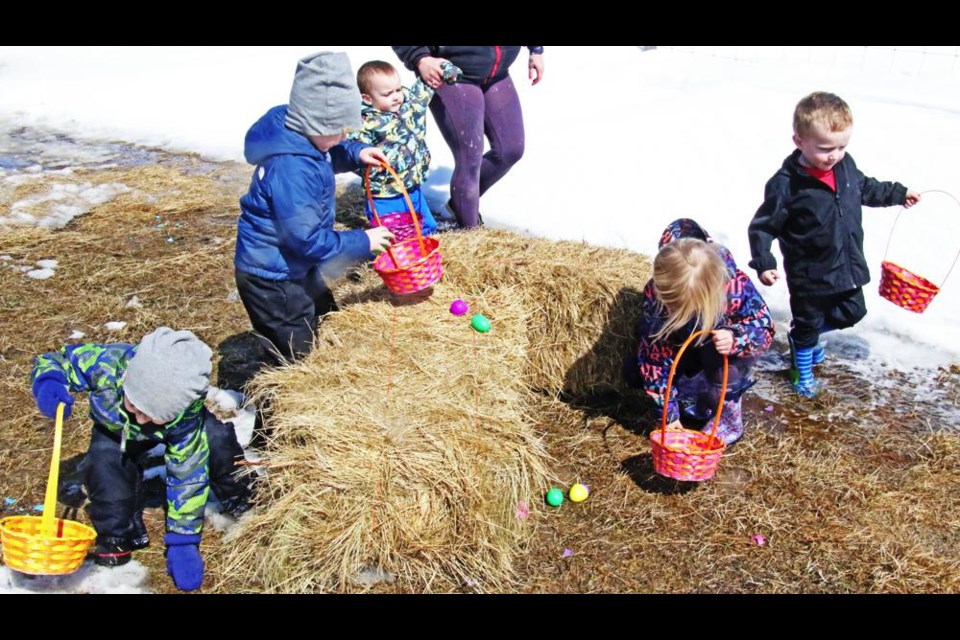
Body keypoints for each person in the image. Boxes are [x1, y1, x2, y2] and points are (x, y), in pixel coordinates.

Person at [30, 327, 253, 592]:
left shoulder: (185, 416)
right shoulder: (105, 365)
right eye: (135, 406)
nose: (141, 419)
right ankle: (118, 534)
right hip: (115, 430)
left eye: (152, 415)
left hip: (175, 430)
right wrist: (50, 382)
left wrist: (183, 541)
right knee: (105, 467)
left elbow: (187, 475)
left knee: (216, 441)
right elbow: (57, 361)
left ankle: (237, 495)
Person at [748, 91, 921, 397]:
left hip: (847, 264)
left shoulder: (844, 166)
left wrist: (897, 194)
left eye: (842, 146)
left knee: (853, 312)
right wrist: (764, 262)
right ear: (799, 141)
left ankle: (806, 337)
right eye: (826, 148)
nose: (835, 155)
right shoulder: (786, 184)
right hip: (809, 274)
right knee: (809, 319)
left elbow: (865, 187)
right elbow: (763, 226)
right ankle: (801, 369)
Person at [235, 51, 393, 363]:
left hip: (294, 263)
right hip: (272, 277)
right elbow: (307, 240)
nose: (345, 135)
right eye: (340, 130)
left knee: (324, 313)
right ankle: (280, 395)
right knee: (295, 351)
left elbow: (326, 153)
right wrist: (364, 241)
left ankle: (314, 346)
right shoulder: (291, 169)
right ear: (314, 122)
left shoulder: (301, 136)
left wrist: (356, 153)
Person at [632, 219, 774, 445]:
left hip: (719, 348)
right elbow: (654, 357)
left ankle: (728, 419)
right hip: (682, 343)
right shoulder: (657, 292)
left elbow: (764, 326)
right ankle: (688, 397)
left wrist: (737, 337)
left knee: (718, 358)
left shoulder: (734, 287)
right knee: (633, 371)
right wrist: (668, 416)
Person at [392, 46, 545, 229]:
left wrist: (536, 50)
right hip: (451, 73)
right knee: (469, 157)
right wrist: (419, 58)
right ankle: (469, 233)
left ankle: (459, 205)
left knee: (510, 150)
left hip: (498, 73)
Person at [349, 59, 462, 236]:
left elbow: (425, 84)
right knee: (394, 233)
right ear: (367, 98)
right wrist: (374, 172)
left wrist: (445, 69)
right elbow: (353, 153)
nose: (396, 96)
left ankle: (426, 254)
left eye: (398, 89)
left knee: (426, 226)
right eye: (387, 94)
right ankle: (397, 258)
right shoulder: (365, 124)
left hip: (413, 184)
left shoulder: (409, 105)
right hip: (385, 193)